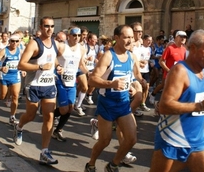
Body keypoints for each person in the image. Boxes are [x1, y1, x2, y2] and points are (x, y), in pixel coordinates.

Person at [149, 30, 204, 172]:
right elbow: (164, 106)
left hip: (197, 139)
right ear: (193, 48)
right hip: (172, 138)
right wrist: (200, 106)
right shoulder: (180, 71)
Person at [84, 24, 146, 172]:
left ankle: (113, 165)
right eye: (126, 37)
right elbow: (92, 80)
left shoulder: (131, 56)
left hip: (123, 103)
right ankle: (91, 164)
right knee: (104, 141)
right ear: (116, 38)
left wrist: (135, 85)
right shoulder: (108, 56)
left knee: (131, 139)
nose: (130, 40)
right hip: (107, 104)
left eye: (132, 37)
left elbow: (132, 76)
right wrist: (111, 83)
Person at [14, 16, 62, 165]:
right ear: (41, 27)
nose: (50, 29)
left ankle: (44, 152)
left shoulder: (56, 44)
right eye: (46, 26)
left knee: (49, 117)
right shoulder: (34, 44)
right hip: (34, 85)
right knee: (31, 115)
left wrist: (58, 67)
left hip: (49, 86)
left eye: (52, 26)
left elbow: (53, 58)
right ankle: (19, 126)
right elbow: (21, 65)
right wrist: (40, 67)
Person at [52, 26, 88, 141]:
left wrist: (90, 73)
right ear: (69, 36)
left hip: (71, 80)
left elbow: (81, 64)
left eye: (79, 35)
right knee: (63, 109)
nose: (77, 38)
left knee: (70, 108)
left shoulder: (82, 49)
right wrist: (58, 66)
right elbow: (53, 58)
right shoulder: (62, 46)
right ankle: (49, 115)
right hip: (60, 80)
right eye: (74, 35)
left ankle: (58, 130)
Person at [0, 34, 25, 124]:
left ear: (19, 42)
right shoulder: (4, 51)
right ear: (9, 42)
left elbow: (23, 63)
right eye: (12, 41)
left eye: (16, 41)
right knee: (3, 95)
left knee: (15, 96)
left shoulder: (20, 51)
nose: (14, 43)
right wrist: (0, 68)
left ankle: (12, 116)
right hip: (4, 76)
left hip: (15, 76)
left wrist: (23, 70)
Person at [149, 31, 187, 105]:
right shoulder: (170, 48)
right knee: (165, 88)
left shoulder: (184, 49)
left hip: (179, 75)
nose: (183, 39)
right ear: (176, 37)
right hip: (169, 74)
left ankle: (162, 106)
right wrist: (169, 71)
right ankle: (154, 95)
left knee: (174, 91)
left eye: (185, 37)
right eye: (181, 37)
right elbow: (161, 61)